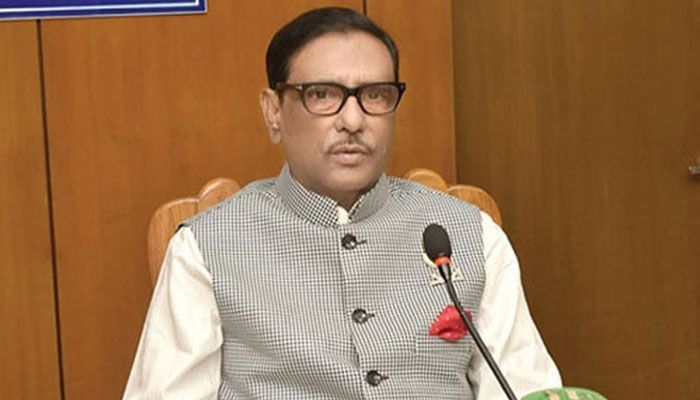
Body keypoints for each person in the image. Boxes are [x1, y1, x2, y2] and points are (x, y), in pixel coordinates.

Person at [123, 7, 561, 399]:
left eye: (375, 95)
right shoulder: (205, 249)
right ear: (273, 111)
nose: (353, 120)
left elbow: (528, 390)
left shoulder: (470, 235)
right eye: (322, 95)